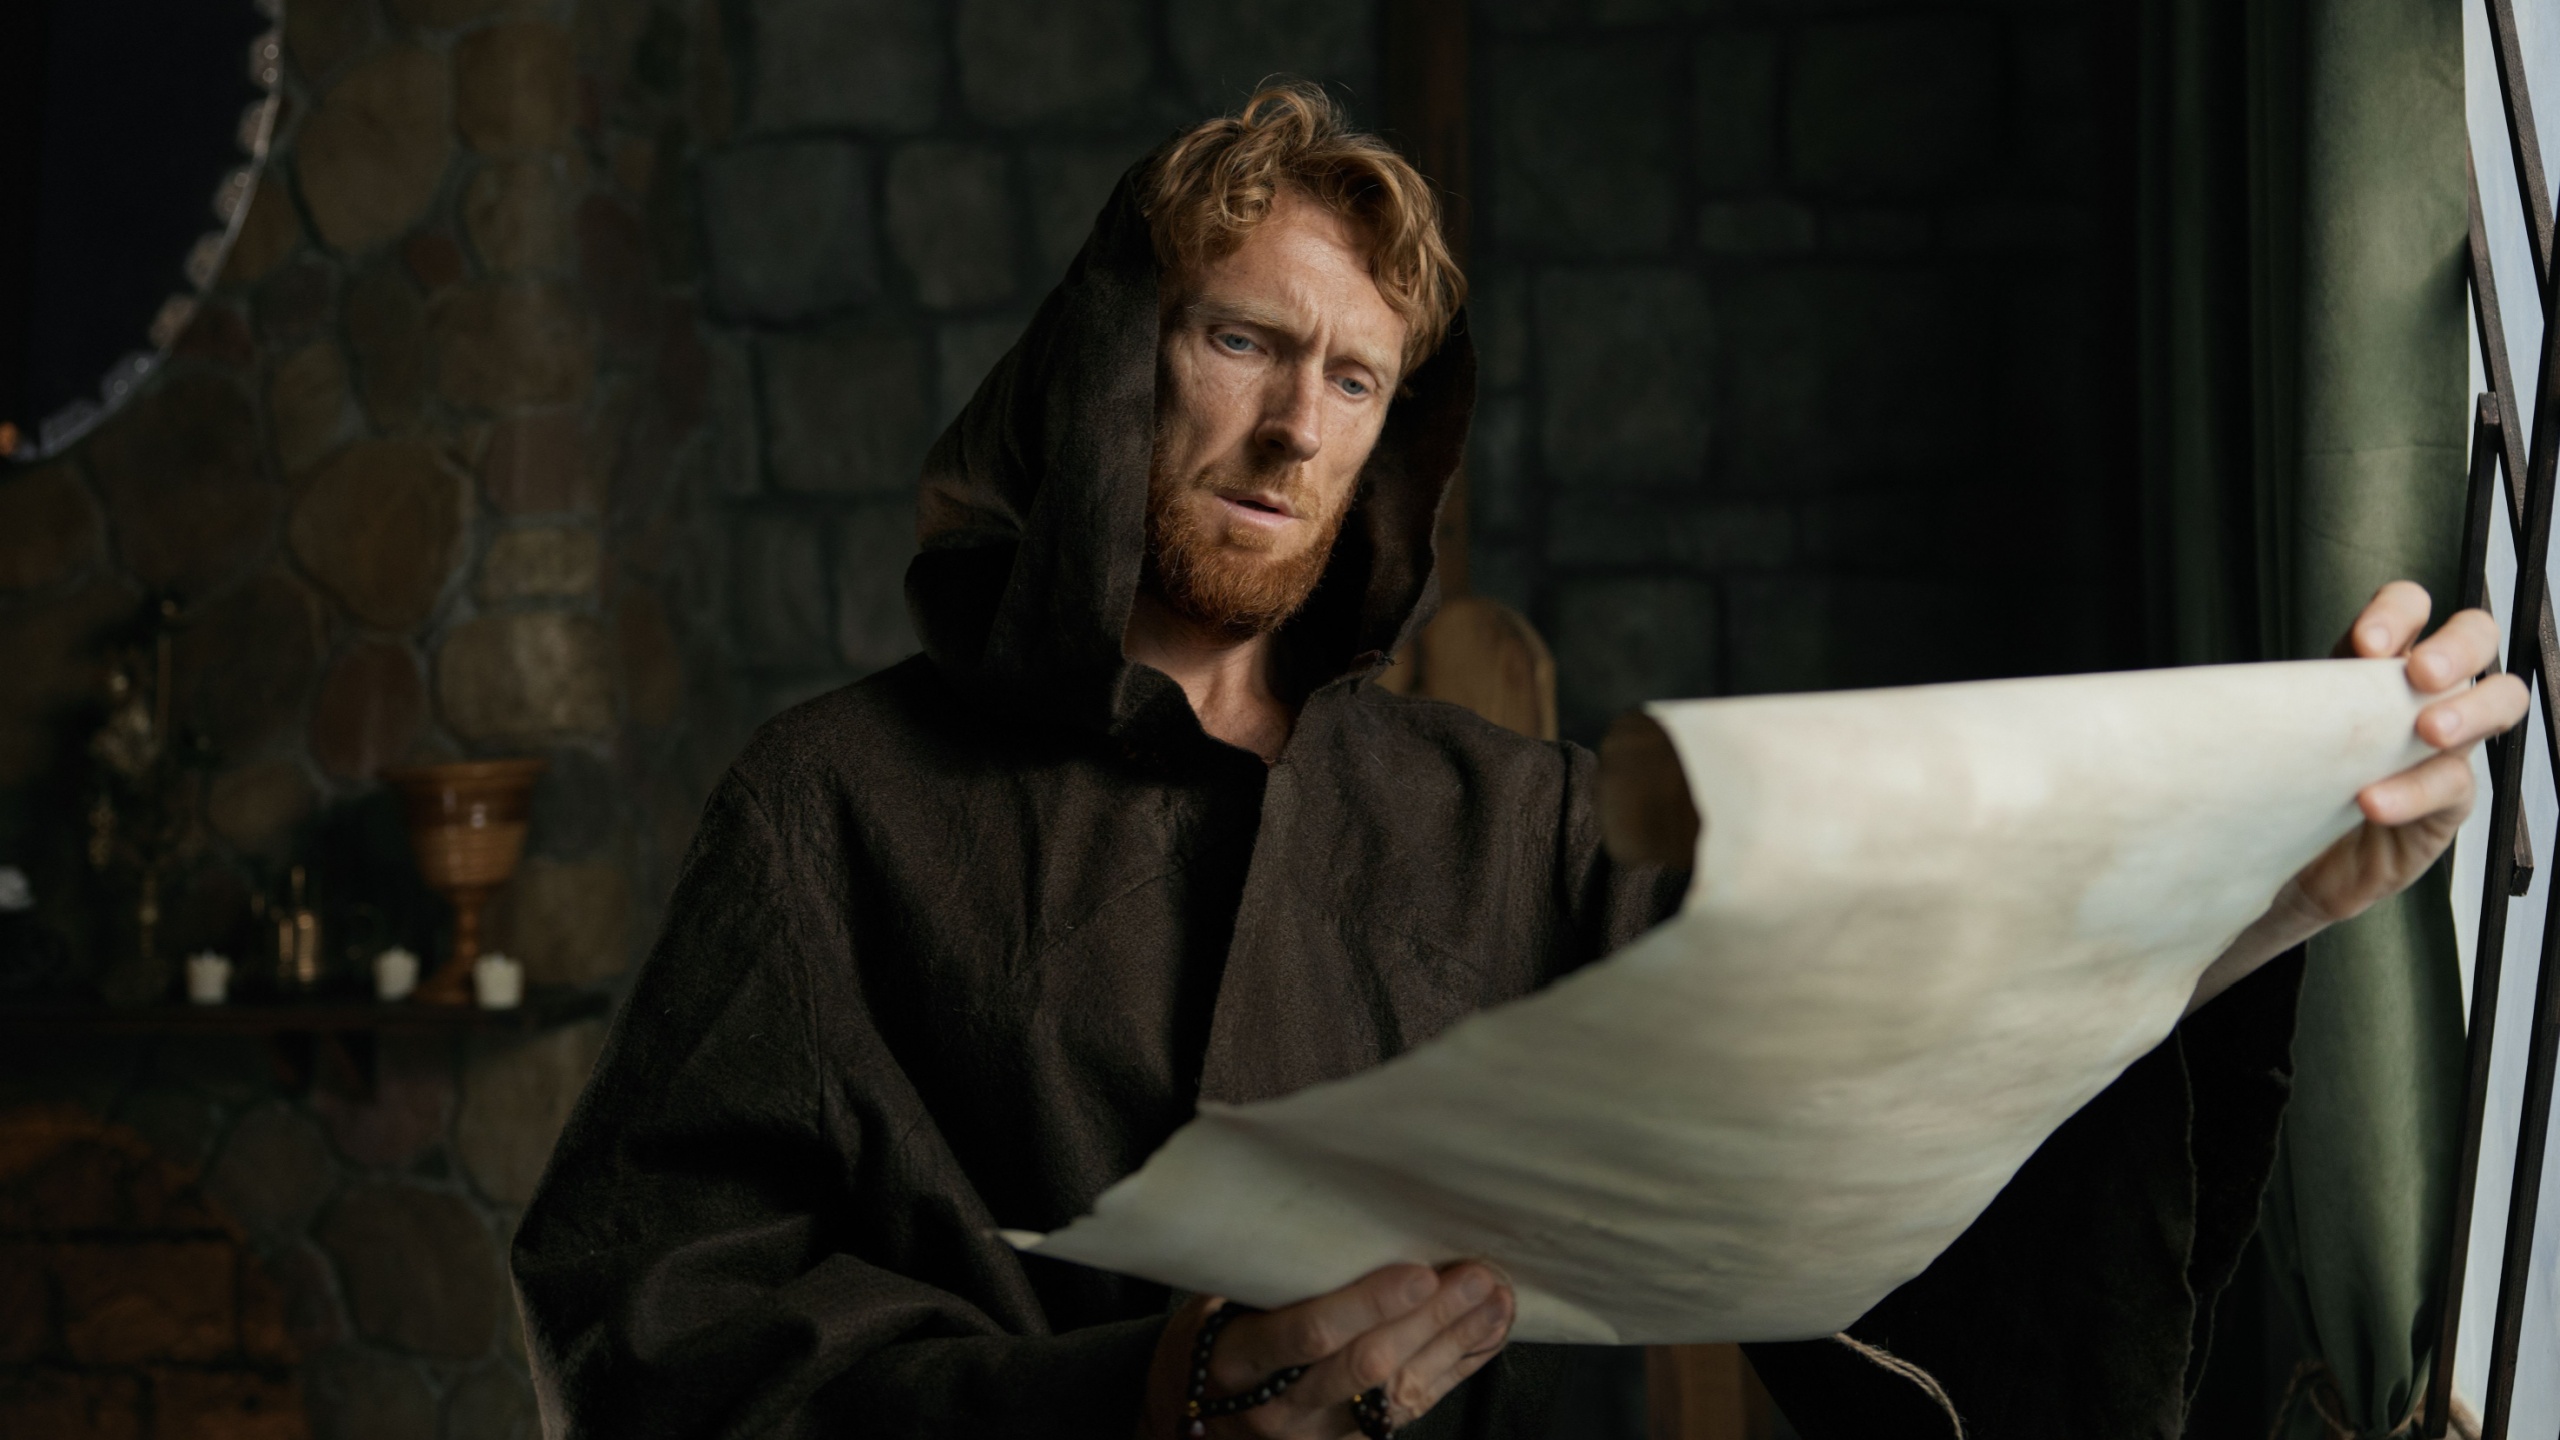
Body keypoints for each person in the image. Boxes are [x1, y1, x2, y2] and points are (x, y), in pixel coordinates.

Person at [511, 85, 2524, 1440]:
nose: (1295, 428)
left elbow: (1879, 1055)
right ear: (1109, 359)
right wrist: (1133, 1399)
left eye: (1353, 377)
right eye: (1239, 341)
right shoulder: (831, 804)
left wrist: (2265, 886)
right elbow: (655, 1309)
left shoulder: (1506, 821)